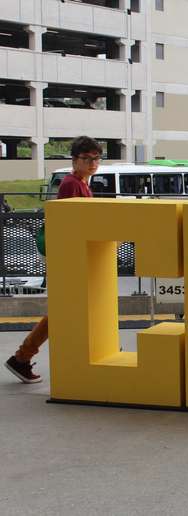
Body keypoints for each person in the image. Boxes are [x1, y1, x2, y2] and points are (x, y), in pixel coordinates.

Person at [4, 136, 101, 384]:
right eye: (86, 158)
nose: (92, 163)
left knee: (69, 309)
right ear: (75, 160)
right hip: (67, 256)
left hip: (70, 255)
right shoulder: (72, 185)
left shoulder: (80, 183)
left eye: (96, 158)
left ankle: (24, 357)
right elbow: (70, 224)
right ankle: (22, 357)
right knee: (63, 310)